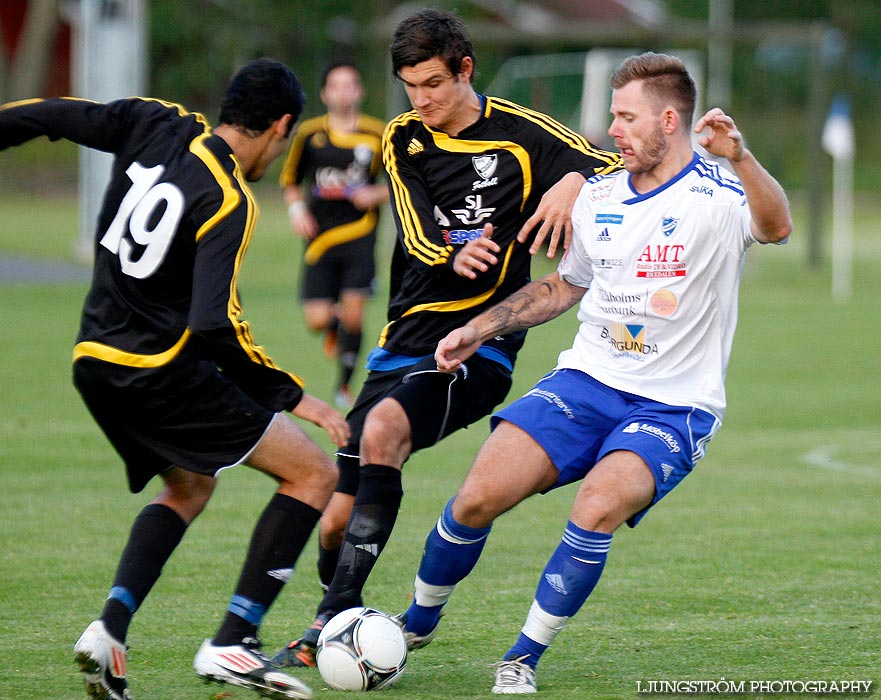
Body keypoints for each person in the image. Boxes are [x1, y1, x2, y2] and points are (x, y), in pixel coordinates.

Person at [397, 51, 792, 694]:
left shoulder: (718, 193)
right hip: (585, 382)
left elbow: (775, 228)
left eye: (626, 118)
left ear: (670, 121)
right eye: (613, 115)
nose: (612, 130)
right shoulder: (600, 195)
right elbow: (564, 285)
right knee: (474, 497)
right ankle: (412, 626)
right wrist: (477, 328)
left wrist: (741, 158)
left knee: (595, 505)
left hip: (674, 406)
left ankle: (520, 658)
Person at [271, 8, 621, 669]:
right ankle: (339, 611)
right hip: (404, 336)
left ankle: (328, 622)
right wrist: (456, 249)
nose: (422, 99)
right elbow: (418, 230)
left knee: (382, 435)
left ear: (464, 70)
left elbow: (607, 163)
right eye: (410, 86)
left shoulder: (521, 133)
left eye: (433, 83)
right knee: (337, 519)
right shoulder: (403, 137)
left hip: (478, 345)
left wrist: (571, 182)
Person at [0, 58, 350, 700]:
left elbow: (56, 115)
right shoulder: (229, 200)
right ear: (280, 126)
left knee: (188, 487)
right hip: (160, 371)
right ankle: (233, 642)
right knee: (314, 474)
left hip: (94, 361)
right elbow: (216, 323)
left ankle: (109, 632)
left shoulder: (154, 121)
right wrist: (294, 396)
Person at [280, 61, 389, 409]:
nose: (343, 92)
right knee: (317, 320)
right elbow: (290, 182)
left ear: (360, 91)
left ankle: (344, 388)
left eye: (350, 84)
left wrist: (377, 194)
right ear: (326, 94)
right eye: (336, 86)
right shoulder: (309, 134)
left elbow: (406, 181)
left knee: (355, 313)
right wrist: (297, 213)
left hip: (360, 235)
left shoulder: (379, 133)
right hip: (320, 239)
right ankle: (334, 328)